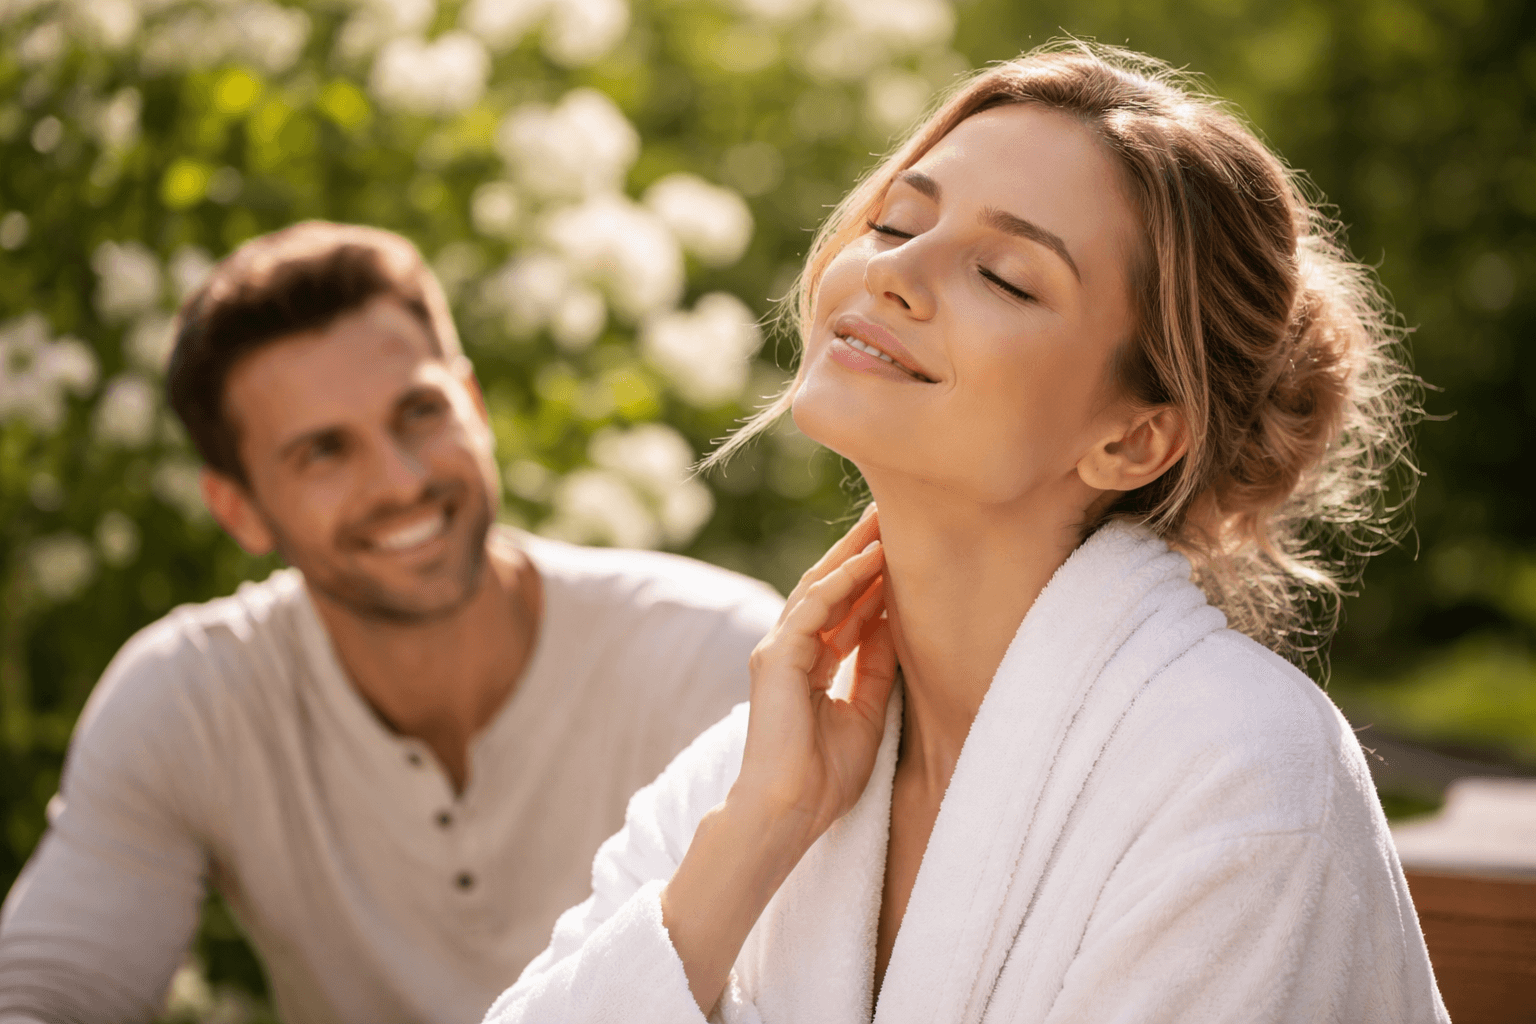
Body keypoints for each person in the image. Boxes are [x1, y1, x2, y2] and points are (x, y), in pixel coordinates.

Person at [482, 44, 1448, 1023]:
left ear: (1133, 436)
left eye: (1004, 277)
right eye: (898, 219)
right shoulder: (761, 767)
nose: (895, 267)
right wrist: (757, 834)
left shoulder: (1244, 779)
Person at [0, 222, 784, 1024]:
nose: (401, 479)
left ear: (473, 405)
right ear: (237, 508)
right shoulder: (193, 700)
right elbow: (52, 994)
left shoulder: (721, 658)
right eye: (324, 452)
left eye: (419, 411)